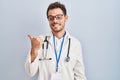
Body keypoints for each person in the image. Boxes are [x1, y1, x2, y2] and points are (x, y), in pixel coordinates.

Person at [25, 1, 87, 80]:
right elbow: (30, 72)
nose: (55, 21)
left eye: (59, 17)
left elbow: (80, 76)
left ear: (66, 18)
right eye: (51, 18)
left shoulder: (75, 44)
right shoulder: (39, 41)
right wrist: (34, 49)